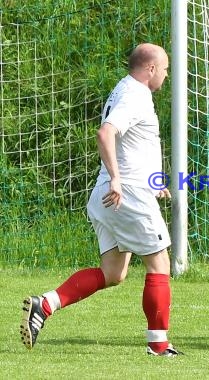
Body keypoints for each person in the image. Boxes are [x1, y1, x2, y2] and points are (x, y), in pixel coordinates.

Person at [20, 43, 181, 356]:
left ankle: (45, 305)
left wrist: (154, 179)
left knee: (112, 273)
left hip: (108, 193)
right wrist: (119, 179)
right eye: (164, 69)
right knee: (159, 263)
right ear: (150, 69)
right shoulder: (135, 95)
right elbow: (105, 133)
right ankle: (159, 346)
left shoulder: (125, 89)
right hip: (126, 194)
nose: (165, 75)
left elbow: (131, 143)